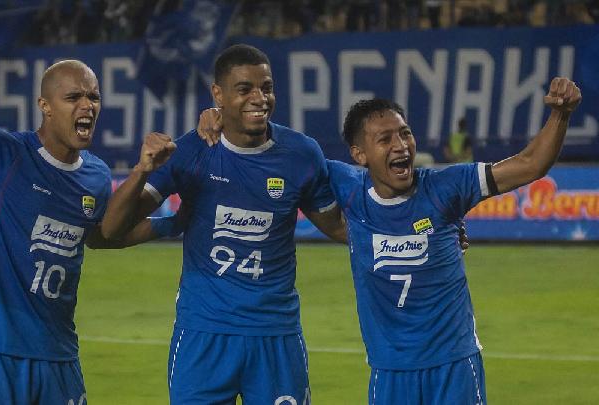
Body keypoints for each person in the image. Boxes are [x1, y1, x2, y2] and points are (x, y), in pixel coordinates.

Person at [0, 18, 175, 404]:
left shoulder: (96, 175)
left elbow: (101, 235)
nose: (87, 106)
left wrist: (173, 221)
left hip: (59, 354)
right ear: (45, 107)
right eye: (74, 97)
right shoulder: (4, 154)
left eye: (94, 97)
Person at [101, 44, 347, 404]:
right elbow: (111, 229)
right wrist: (142, 171)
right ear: (218, 94)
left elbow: (338, 227)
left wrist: (412, 231)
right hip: (204, 333)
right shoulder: (189, 152)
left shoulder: (301, 154)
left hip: (275, 333)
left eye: (266, 87)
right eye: (245, 89)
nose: (259, 98)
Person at [327, 77, 580, 403]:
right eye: (385, 139)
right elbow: (292, 167)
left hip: (454, 364)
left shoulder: (446, 187)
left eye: (405, 133)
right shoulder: (349, 190)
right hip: (390, 369)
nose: (401, 145)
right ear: (360, 154)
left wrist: (561, 115)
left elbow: (530, 164)